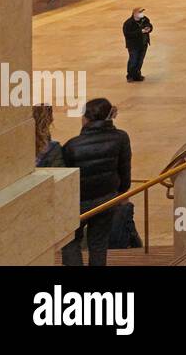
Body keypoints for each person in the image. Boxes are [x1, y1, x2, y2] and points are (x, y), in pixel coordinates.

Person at [60, 98, 132, 266]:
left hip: (78, 203)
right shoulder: (121, 138)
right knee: (98, 243)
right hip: (106, 200)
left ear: (85, 118)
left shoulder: (72, 146)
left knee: (70, 241)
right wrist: (122, 193)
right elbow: (124, 169)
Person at [122, 7, 152, 82]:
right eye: (140, 12)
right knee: (133, 60)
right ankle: (130, 76)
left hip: (143, 44)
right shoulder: (128, 23)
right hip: (133, 46)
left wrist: (149, 28)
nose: (142, 14)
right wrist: (140, 31)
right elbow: (127, 34)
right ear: (135, 14)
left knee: (140, 61)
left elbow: (150, 25)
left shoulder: (145, 19)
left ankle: (137, 75)